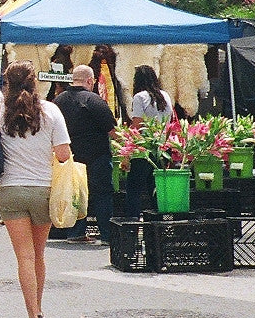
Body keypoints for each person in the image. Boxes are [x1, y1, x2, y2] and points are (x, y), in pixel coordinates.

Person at [0, 64, 72, 318]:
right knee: (38, 254)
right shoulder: (50, 111)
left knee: (23, 256)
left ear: (7, 83)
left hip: (10, 191)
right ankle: (38, 308)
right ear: (35, 83)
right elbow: (63, 154)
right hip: (44, 191)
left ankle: (31, 316)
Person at [54, 64, 117, 244]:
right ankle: (106, 234)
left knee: (75, 194)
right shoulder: (94, 101)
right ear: (90, 81)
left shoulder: (58, 101)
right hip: (97, 156)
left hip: (70, 157)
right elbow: (112, 131)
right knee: (102, 194)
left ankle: (76, 232)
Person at [125, 64, 173, 217]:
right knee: (155, 187)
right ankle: (157, 222)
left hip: (144, 148)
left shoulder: (139, 97)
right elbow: (169, 122)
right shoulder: (165, 95)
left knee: (134, 188)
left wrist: (128, 150)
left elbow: (137, 125)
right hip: (162, 147)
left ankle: (133, 221)